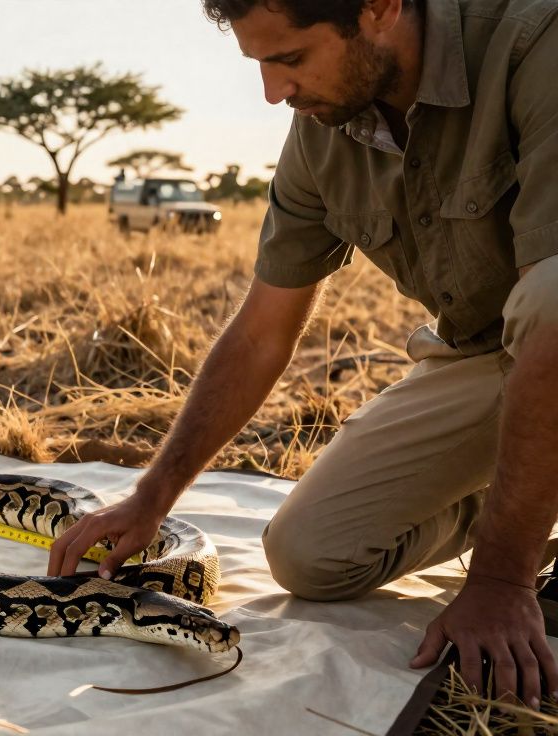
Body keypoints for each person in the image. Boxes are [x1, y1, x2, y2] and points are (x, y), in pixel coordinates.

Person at [49, 0, 558, 708]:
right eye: (260, 63)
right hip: (494, 352)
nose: (272, 92)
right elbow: (263, 329)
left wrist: (501, 581)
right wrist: (152, 495)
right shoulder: (323, 125)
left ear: (380, 8)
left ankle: (522, 534)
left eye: (288, 59)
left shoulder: (535, 40)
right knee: (310, 556)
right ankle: (537, 506)